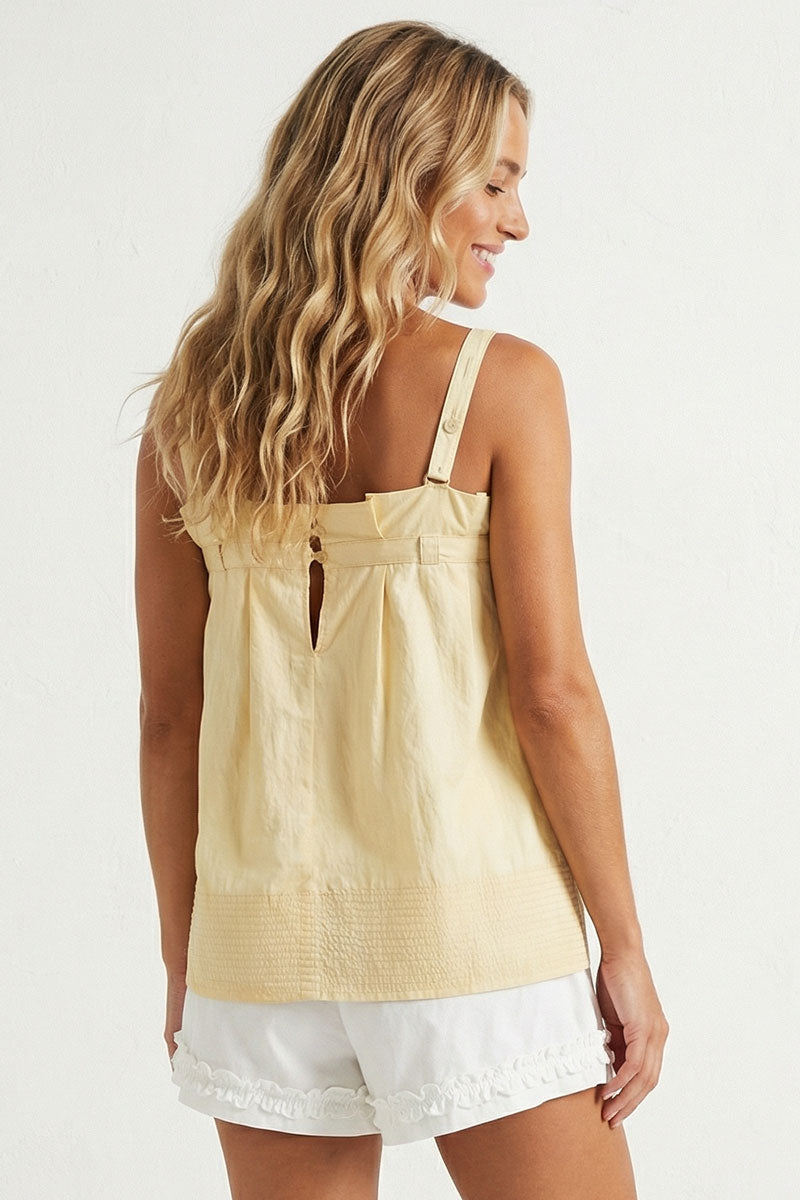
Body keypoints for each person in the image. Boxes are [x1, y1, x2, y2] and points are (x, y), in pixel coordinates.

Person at [133, 19, 668, 1200]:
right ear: (406, 171)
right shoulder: (504, 385)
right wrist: (623, 947)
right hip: (469, 936)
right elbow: (551, 695)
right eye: (495, 181)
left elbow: (171, 717)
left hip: (255, 955)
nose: (516, 222)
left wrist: (187, 953)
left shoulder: (190, 413)